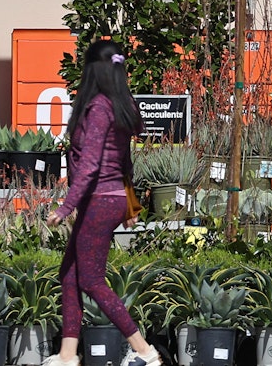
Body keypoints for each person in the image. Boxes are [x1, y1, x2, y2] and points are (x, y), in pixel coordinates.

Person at [44, 39, 162, 366]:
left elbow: (90, 166)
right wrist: (130, 205)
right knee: (69, 275)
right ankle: (68, 355)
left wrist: (66, 207)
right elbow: (125, 161)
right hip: (110, 199)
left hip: (97, 200)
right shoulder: (120, 106)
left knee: (92, 281)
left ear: (92, 71)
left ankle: (144, 350)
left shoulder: (97, 108)